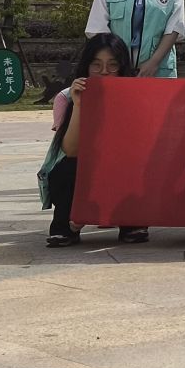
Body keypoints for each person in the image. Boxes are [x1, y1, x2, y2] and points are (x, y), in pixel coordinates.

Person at [38, 33, 145, 248]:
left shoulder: (137, 96)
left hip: (119, 167)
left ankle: (130, 222)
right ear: (86, 67)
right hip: (81, 166)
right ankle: (65, 225)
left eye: (112, 65)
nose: (104, 71)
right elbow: (70, 150)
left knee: (134, 164)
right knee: (65, 168)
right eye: (96, 65)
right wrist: (79, 105)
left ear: (122, 68)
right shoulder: (66, 97)